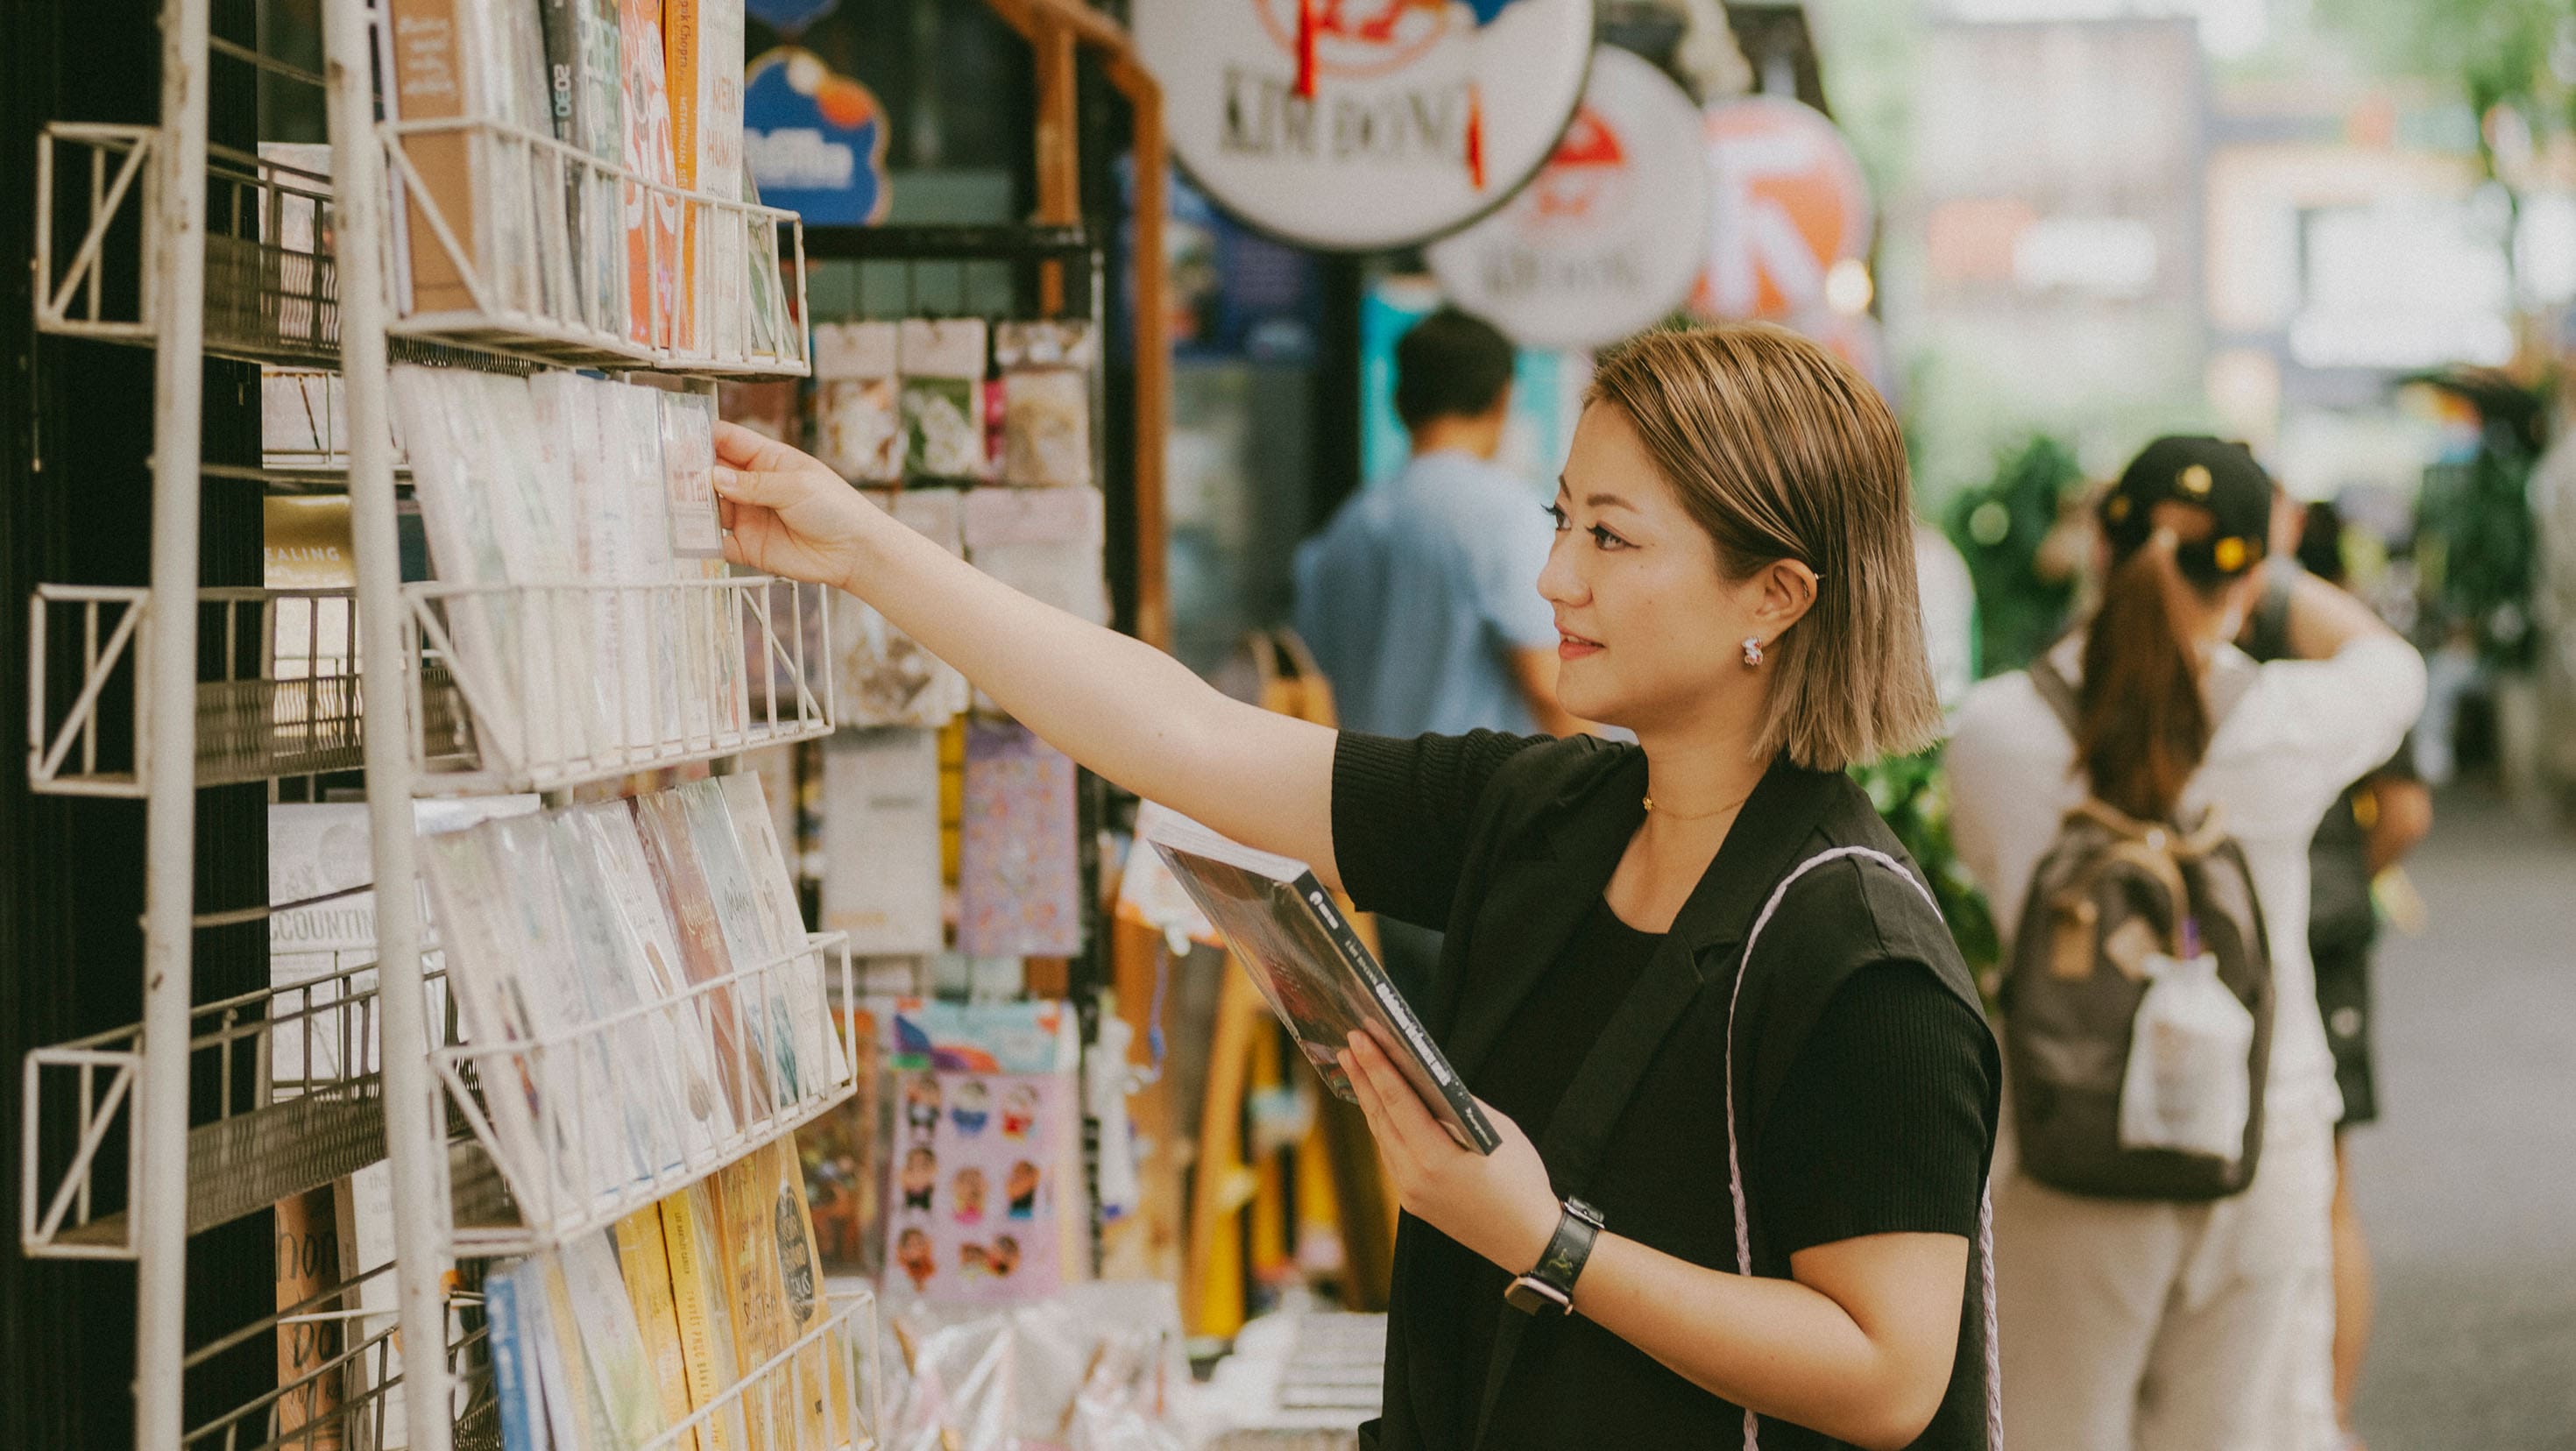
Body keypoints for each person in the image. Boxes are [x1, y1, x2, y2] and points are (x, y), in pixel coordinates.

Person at [711, 322, 2000, 1450]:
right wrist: (865, 550)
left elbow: (1887, 1376)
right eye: (1562, 521)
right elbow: (1188, 739)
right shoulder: (1546, 813)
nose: (1557, 579)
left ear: (1770, 598)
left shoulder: (1860, 956)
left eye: (1612, 538)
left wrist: (1550, 1244)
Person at [1945, 438, 2429, 1451]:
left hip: (2058, 1139)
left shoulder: (1991, 734)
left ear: (2099, 551)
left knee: (2051, 1431)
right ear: (2250, 576)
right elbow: (2393, 665)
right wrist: (2276, 575)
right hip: (2257, 1141)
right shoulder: (2290, 723)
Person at [1296, 307, 1586, 998]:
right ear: (1502, 399)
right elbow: (1552, 684)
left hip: (1361, 844)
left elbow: (1313, 691)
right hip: (1480, 847)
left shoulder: (1345, 530)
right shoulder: (1502, 513)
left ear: (1400, 401)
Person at [2242, 499, 2434, 1450]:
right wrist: (2343, 884)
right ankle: (2328, 1421)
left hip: (2222, 943)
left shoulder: (2127, 635)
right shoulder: (2330, 660)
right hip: (2317, 934)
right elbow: (2405, 814)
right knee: (2327, 1189)